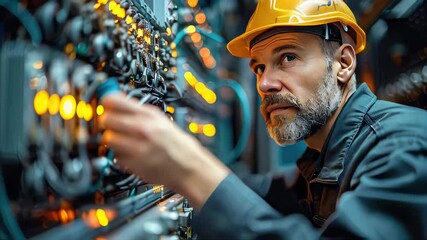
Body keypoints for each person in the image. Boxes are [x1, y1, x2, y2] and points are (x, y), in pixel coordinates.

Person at [100, 0, 427, 239]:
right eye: (259, 67)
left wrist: (192, 171)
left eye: (287, 57)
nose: (265, 83)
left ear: (343, 63)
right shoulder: (321, 163)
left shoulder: (401, 147)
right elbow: (261, 190)